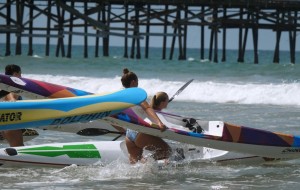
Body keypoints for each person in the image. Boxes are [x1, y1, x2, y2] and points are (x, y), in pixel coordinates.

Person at [121, 68, 171, 164]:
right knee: (166, 151)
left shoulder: (120, 95)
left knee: (135, 166)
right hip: (139, 132)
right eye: (137, 81)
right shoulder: (136, 95)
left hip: (129, 135)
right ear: (133, 82)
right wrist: (159, 123)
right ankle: (147, 162)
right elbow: (147, 108)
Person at [1, 64, 24, 146]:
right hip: (12, 122)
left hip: (4, 122)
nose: (21, 76)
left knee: (14, 147)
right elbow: (11, 99)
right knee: (18, 148)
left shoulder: (3, 86)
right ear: (15, 74)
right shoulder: (13, 88)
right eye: (20, 74)